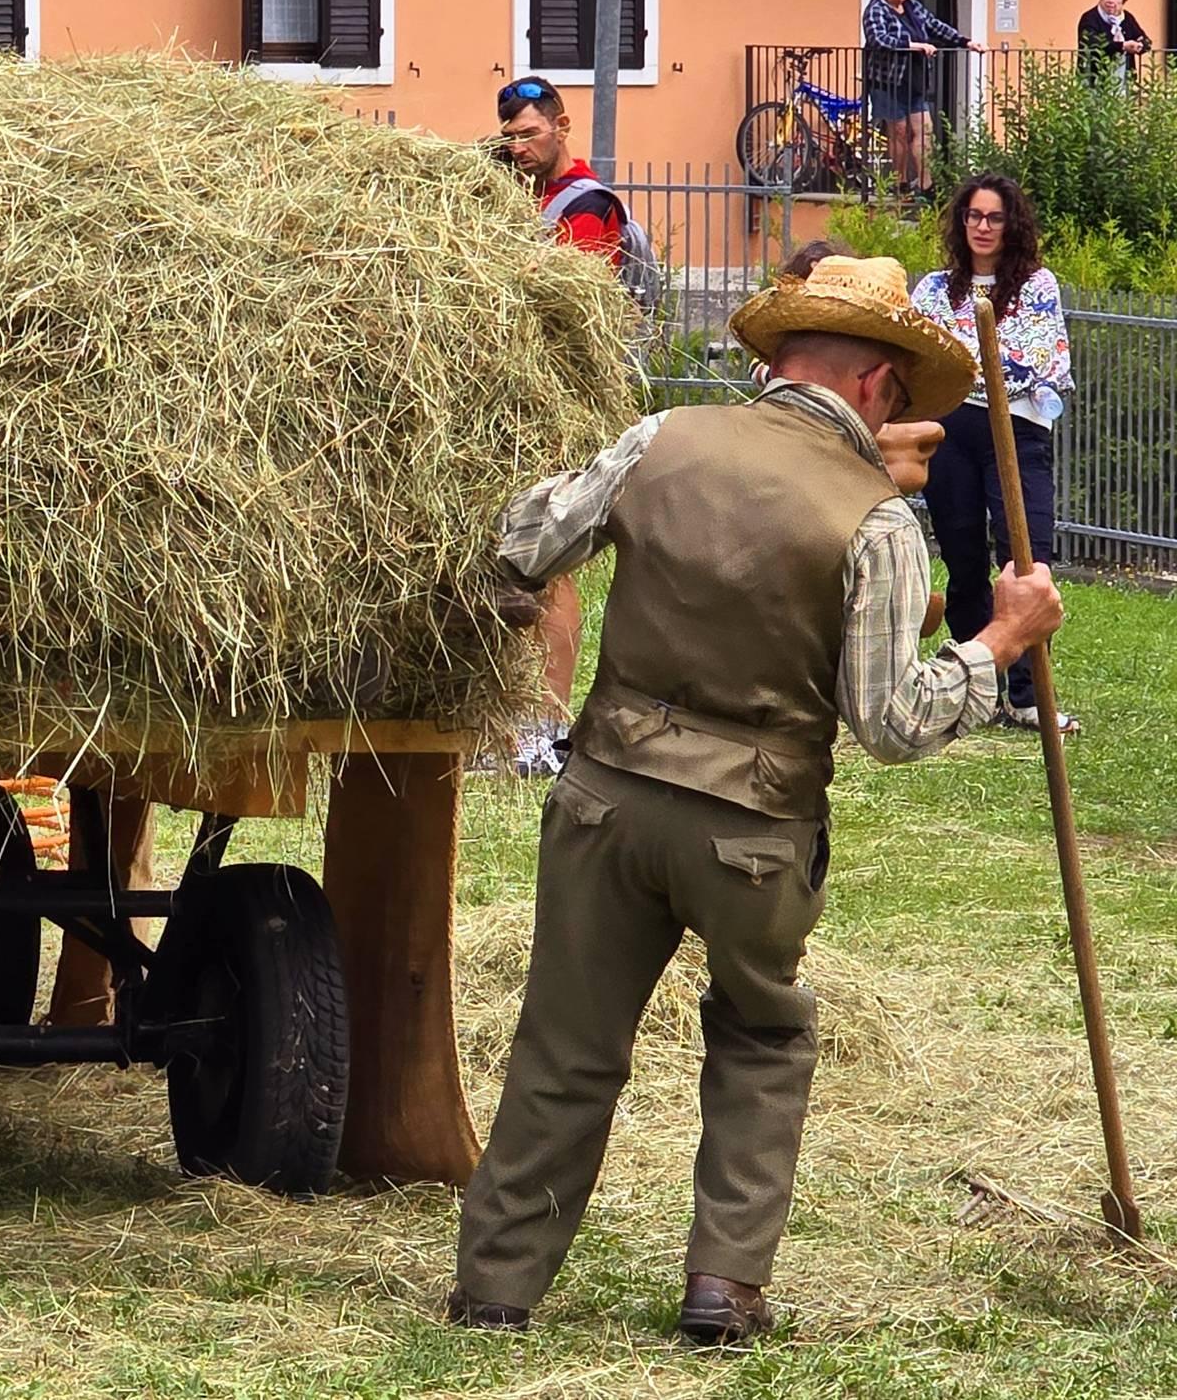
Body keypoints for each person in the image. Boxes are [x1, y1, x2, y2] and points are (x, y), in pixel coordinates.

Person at [447, 255, 1062, 1343]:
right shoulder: (874, 522)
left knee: (564, 1043)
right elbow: (892, 724)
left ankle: (497, 1285)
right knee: (760, 1037)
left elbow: (523, 544)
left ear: (779, 360)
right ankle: (722, 1287)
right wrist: (996, 641)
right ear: (877, 386)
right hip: (755, 827)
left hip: (606, 798)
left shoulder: (661, 439)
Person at [909, 173, 1078, 735]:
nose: (982, 227)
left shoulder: (1036, 285)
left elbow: (1041, 362)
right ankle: (972, 691)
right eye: (973, 216)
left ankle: (1030, 696)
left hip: (1017, 430)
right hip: (950, 429)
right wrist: (974, 365)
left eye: (994, 218)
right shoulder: (935, 288)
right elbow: (919, 354)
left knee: (1025, 561)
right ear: (962, 223)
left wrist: (969, 363)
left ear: (1012, 225)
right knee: (962, 560)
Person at [495, 75, 629, 778]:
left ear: (562, 125)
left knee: (553, 565)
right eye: (510, 136)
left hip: (563, 404)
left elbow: (570, 304)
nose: (520, 146)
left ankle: (546, 728)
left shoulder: (584, 205)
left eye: (530, 132)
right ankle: (513, 716)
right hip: (519, 399)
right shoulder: (522, 200)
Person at [861, 0, 982, 198]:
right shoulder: (875, 10)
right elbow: (879, 39)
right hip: (887, 82)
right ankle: (900, 183)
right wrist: (914, 45)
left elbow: (936, 26)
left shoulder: (913, 8)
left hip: (915, 80)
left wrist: (966, 42)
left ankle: (927, 185)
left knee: (924, 131)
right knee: (899, 131)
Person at [1077, 0, 1153, 84]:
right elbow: (1092, 44)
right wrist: (1122, 46)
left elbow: (1145, 41)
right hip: (1094, 78)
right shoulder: (1090, 18)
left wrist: (1140, 45)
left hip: (1124, 78)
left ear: (1123, 1)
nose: (1111, 1)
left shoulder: (1127, 19)